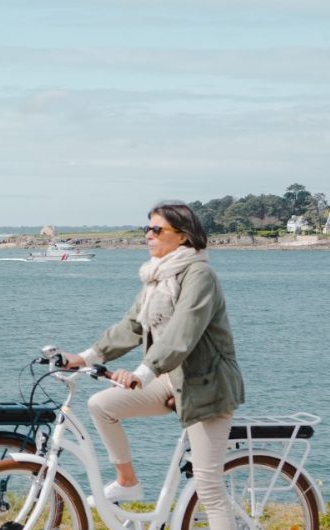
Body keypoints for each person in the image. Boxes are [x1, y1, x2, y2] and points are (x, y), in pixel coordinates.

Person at [62, 200, 245, 530]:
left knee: (208, 486)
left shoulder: (199, 275)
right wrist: (86, 356)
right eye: (147, 227)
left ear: (183, 236)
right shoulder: (156, 278)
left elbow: (182, 333)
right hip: (172, 381)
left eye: (157, 229)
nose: (148, 234)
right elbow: (132, 326)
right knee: (102, 405)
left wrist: (142, 373)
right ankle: (128, 481)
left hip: (206, 386)